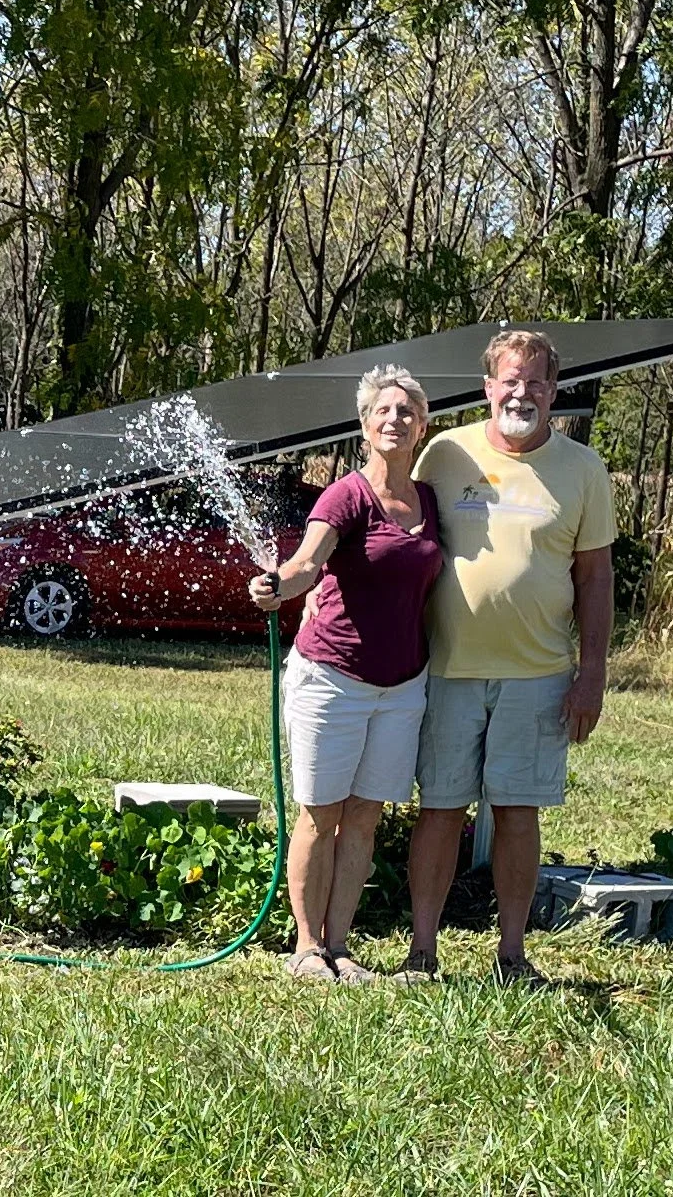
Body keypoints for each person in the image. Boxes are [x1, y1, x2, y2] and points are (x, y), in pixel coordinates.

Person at [402, 329, 615, 987]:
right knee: (440, 809)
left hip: (540, 676)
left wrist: (593, 675)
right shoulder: (442, 454)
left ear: (554, 391)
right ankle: (422, 952)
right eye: (510, 380)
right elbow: (392, 530)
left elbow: (596, 577)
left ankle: (513, 954)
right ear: (489, 387)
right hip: (445, 669)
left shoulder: (584, 470)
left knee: (518, 811)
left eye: (537, 382)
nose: (522, 392)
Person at [250, 365, 440, 984]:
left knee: (365, 816)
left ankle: (341, 944)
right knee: (320, 814)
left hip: (403, 686)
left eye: (407, 411)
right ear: (364, 425)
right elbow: (308, 562)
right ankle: (306, 947)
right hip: (330, 678)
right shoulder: (345, 495)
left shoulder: (429, 499)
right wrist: (280, 585)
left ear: (423, 425)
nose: (395, 419)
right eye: (383, 411)